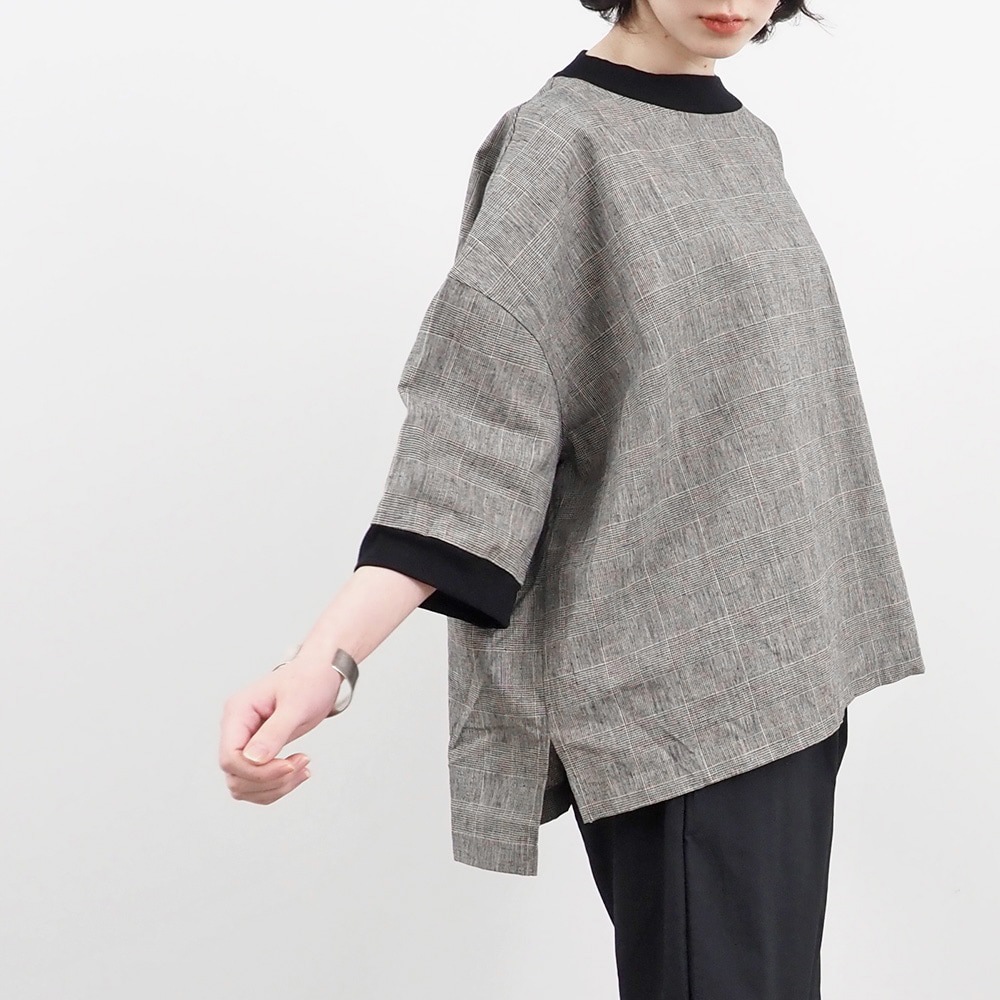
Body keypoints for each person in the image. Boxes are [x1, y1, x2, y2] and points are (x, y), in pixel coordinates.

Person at [219, 3, 926, 997]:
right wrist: (322, 662)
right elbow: (476, 430)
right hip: (675, 707)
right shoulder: (564, 144)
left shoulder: (744, 138)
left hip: (792, 685)